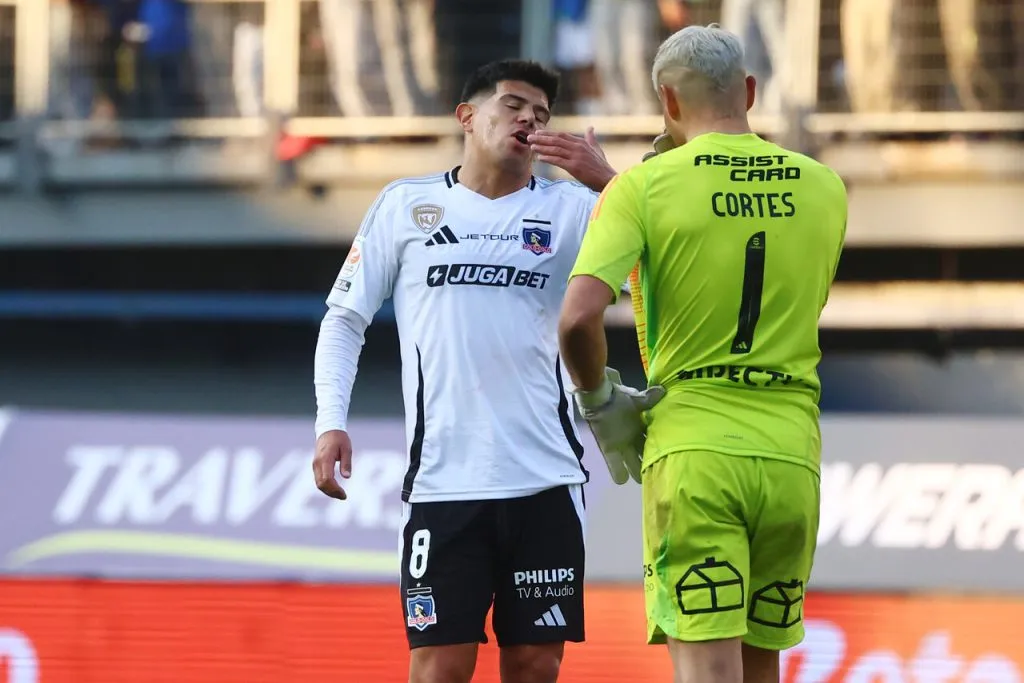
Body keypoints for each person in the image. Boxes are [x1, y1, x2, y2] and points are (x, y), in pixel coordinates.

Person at [557, 24, 847, 683]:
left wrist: (602, 403)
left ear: (667, 100)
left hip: (694, 451)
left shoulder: (642, 188)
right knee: (759, 670)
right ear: (749, 89)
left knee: (707, 674)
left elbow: (577, 319)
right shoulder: (826, 187)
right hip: (791, 456)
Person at [312, 59, 616, 683]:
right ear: (467, 116)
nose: (530, 118)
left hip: (546, 479)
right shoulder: (406, 206)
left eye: (542, 113)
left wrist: (611, 184)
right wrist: (329, 422)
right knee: (439, 667)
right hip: (444, 485)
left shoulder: (574, 210)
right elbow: (344, 319)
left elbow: (672, 256)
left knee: (535, 665)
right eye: (514, 104)